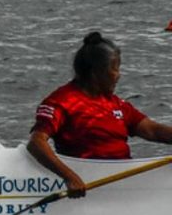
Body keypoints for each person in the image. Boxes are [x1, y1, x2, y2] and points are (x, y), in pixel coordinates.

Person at [27, 32, 172, 198]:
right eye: (115, 69)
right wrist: (70, 177)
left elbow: (151, 130)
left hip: (122, 179)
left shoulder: (115, 103)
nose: (119, 75)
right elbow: (36, 143)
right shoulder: (61, 102)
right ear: (97, 72)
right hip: (89, 183)